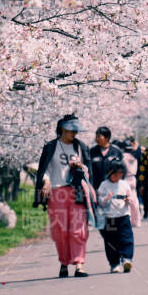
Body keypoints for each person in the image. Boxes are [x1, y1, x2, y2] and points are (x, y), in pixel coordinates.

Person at [34, 114, 95, 278]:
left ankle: (79, 263)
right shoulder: (51, 147)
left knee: (78, 229)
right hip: (57, 192)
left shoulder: (81, 147)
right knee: (60, 230)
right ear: (62, 129)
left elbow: (89, 172)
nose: (74, 134)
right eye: (71, 130)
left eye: (76, 131)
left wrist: (79, 166)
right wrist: (45, 181)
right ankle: (64, 262)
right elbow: (44, 169)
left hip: (77, 192)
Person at [93, 159, 142, 274]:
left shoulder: (124, 184)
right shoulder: (104, 185)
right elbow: (99, 201)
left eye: (120, 174)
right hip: (109, 217)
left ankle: (126, 259)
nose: (117, 177)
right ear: (109, 172)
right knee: (111, 241)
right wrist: (106, 199)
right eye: (115, 174)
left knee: (126, 238)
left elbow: (131, 199)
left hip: (123, 215)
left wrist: (127, 200)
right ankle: (114, 263)